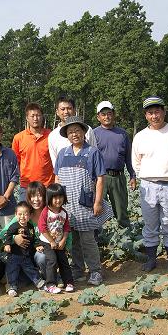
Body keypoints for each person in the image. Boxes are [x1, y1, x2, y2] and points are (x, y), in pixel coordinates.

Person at [132, 97, 168, 274]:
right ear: (145, 115)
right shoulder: (140, 136)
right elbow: (136, 162)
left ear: (164, 112)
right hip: (147, 185)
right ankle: (151, 260)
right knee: (150, 225)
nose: (154, 116)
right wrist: (148, 177)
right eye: (150, 113)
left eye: (157, 111)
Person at [55, 115, 113, 285]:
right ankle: (78, 270)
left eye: (77, 131)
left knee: (88, 240)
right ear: (67, 135)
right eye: (71, 132)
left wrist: (98, 202)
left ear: (84, 132)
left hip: (86, 204)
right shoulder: (62, 153)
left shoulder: (92, 152)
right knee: (73, 242)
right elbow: (57, 178)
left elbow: (100, 179)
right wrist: (57, 203)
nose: (74, 134)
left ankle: (95, 271)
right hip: (67, 205)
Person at [94, 101, 137, 228]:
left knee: (121, 209)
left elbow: (129, 157)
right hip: (99, 178)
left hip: (118, 177)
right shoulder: (93, 133)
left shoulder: (122, 134)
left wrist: (133, 176)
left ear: (114, 115)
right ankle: (101, 237)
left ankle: (125, 234)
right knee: (99, 210)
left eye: (109, 113)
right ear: (98, 117)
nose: (106, 117)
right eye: (103, 114)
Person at [12, 103, 55, 202]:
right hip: (26, 186)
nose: (35, 118)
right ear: (27, 118)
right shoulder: (19, 138)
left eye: (38, 115)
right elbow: (15, 163)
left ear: (42, 117)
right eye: (32, 116)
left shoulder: (51, 136)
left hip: (47, 185)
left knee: (47, 216)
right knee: (25, 216)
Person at [37, 183, 74, 294]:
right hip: (47, 242)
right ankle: (50, 284)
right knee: (52, 261)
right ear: (49, 198)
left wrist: (63, 240)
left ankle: (69, 282)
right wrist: (51, 241)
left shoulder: (64, 213)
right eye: (55, 198)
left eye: (60, 197)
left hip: (59, 242)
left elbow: (67, 228)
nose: (58, 200)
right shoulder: (45, 212)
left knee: (64, 262)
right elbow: (42, 228)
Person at [3, 201, 46, 297]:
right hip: (14, 255)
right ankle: (12, 286)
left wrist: (37, 245)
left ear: (30, 215)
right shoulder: (13, 226)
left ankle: (39, 282)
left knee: (30, 269)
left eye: (25, 214)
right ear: (15, 215)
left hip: (25, 255)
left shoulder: (30, 227)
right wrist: (7, 244)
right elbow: (8, 235)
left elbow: (33, 239)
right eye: (20, 214)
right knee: (12, 271)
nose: (22, 217)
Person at [48, 96, 96, 168]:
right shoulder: (53, 136)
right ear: (57, 112)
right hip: (65, 177)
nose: (66, 112)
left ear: (74, 110)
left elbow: (95, 154)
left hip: (87, 176)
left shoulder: (87, 130)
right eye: (62, 109)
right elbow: (55, 163)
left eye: (69, 108)